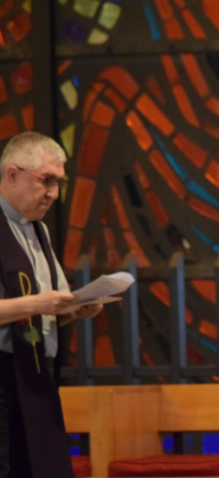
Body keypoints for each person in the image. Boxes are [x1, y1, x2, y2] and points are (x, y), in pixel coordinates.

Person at [0, 132, 103, 478]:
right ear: (13, 175)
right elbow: (36, 306)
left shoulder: (38, 232)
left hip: (36, 376)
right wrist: (36, 303)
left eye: (59, 182)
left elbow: (46, 311)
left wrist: (74, 310)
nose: (54, 193)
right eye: (46, 180)